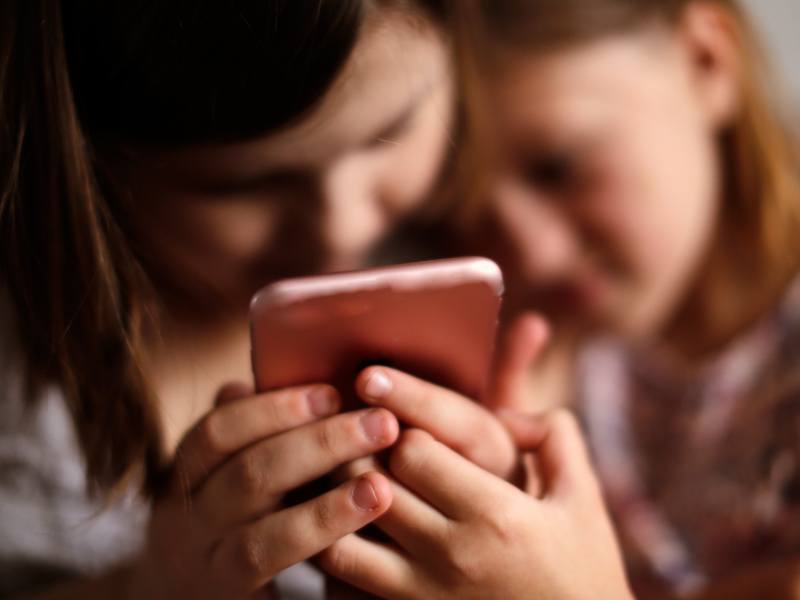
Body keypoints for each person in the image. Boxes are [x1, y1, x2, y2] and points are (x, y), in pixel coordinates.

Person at [0, 1, 462, 597]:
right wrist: (145, 588)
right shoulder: (24, 407)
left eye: (391, 131)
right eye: (250, 185)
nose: (340, 227)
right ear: (91, 158)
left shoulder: (458, 240)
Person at [443, 0, 800, 597]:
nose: (533, 256)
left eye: (558, 167)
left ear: (705, 61)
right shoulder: (553, 376)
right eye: (465, 213)